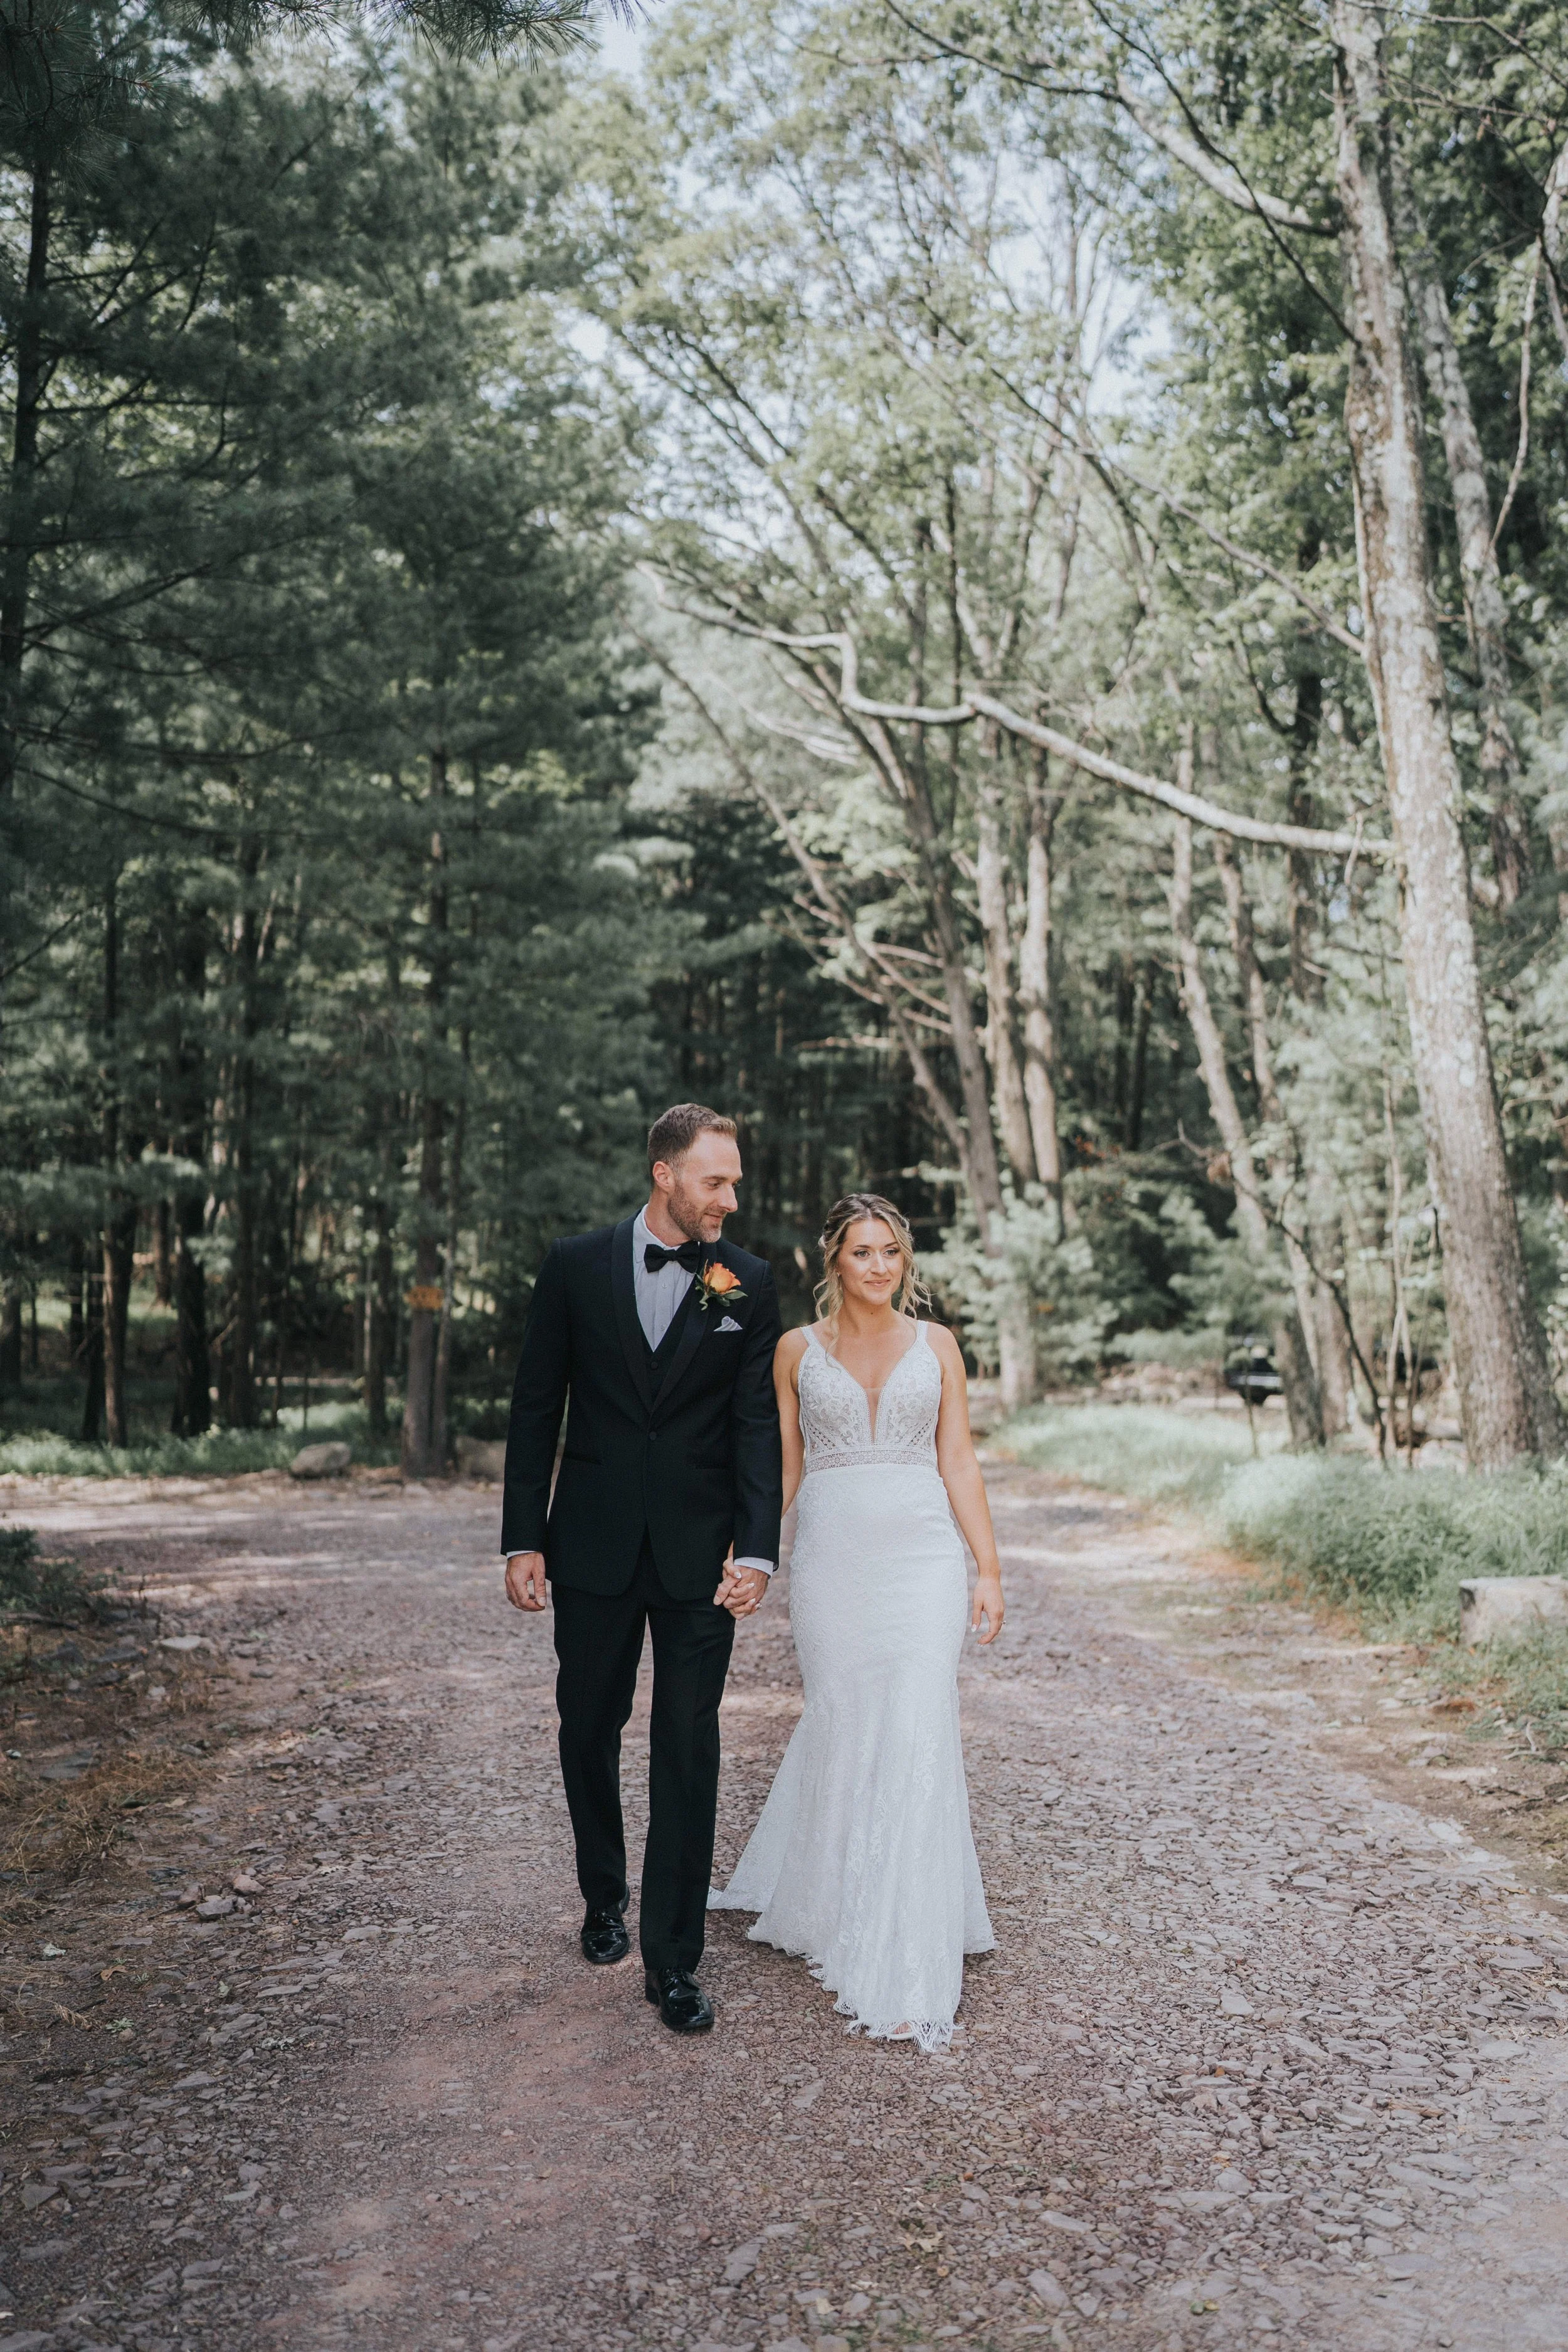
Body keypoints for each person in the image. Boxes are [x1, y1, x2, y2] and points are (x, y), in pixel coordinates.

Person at [502, 1104, 783, 2034]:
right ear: (664, 1173)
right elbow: (537, 1405)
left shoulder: (746, 1280)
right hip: (591, 1543)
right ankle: (602, 1895)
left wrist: (757, 1547)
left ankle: (674, 1960)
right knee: (588, 1721)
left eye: (735, 1179)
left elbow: (754, 1425)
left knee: (687, 1744)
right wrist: (523, 1535)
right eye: (716, 1180)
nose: (730, 1196)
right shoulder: (576, 1264)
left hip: (702, 1556)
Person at [709, 1192, 1002, 2050]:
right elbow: (786, 1467)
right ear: (833, 1259)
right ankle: (840, 1896)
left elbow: (959, 1460)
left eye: (892, 1253)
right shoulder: (796, 1351)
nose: (879, 1266)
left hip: (922, 1559)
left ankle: (909, 1950)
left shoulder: (938, 1345)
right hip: (834, 1561)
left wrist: (987, 1567)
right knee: (843, 1719)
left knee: (917, 1722)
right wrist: (748, 1552)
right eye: (863, 1252)